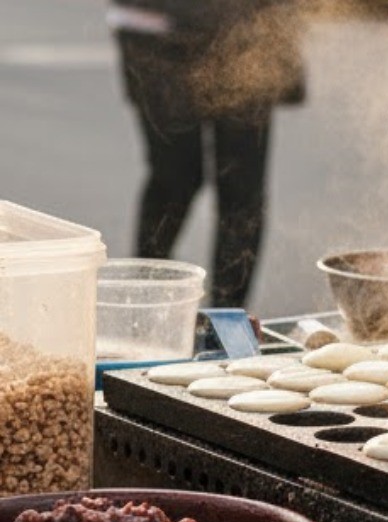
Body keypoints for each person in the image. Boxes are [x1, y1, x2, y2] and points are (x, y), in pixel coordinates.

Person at [109, 0, 305, 308]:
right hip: (158, 32)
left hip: (249, 32)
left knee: (242, 188)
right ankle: (143, 302)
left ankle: (227, 320)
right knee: (176, 177)